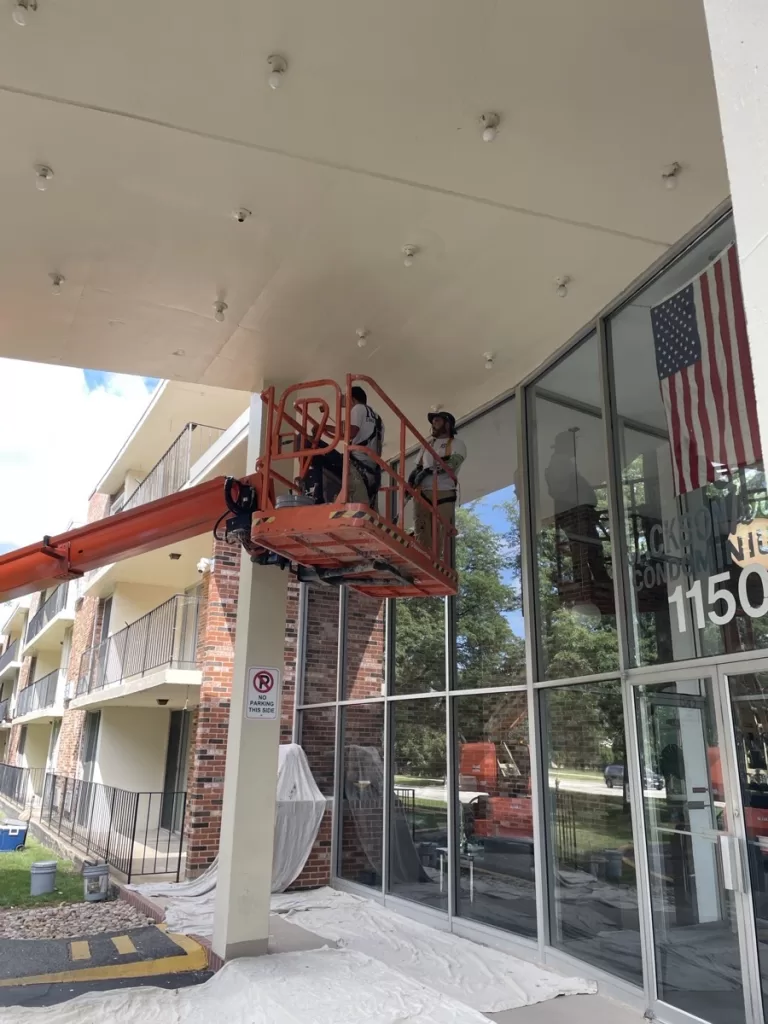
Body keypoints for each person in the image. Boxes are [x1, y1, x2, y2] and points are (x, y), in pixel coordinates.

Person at [303, 386, 383, 507]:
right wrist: (326, 428)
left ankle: (317, 498)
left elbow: (351, 432)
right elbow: (350, 433)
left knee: (311, 448)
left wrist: (323, 428)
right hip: (370, 468)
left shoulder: (358, 408)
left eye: (347, 399)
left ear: (352, 399)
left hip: (356, 464)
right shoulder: (377, 418)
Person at [409, 411, 466, 559]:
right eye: (433, 422)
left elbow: (453, 463)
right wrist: (411, 482)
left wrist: (429, 470)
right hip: (423, 492)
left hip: (444, 492)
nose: (434, 424)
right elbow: (418, 468)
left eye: (437, 421)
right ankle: (422, 559)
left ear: (448, 425)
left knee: (437, 532)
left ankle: (433, 561)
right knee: (421, 528)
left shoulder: (456, 444)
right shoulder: (427, 446)